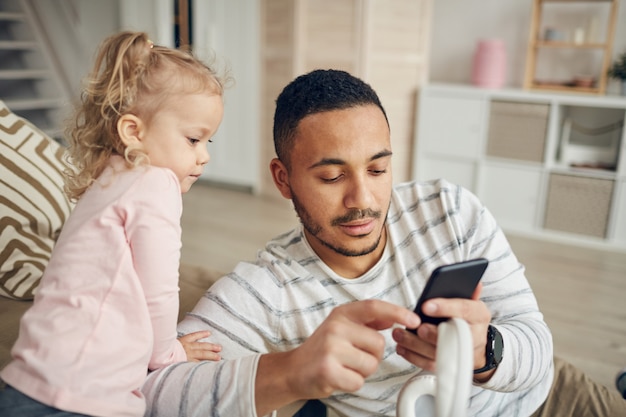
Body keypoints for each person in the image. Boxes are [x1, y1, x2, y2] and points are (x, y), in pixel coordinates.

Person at [141, 69, 626, 417]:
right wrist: (289, 373)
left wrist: (484, 352)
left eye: (378, 169)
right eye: (331, 176)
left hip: (540, 397)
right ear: (283, 179)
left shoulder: (450, 211)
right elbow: (154, 392)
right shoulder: (266, 290)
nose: (364, 200)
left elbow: (535, 340)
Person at [0, 31, 226, 417]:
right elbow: (159, 289)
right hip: (83, 389)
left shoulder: (108, 177)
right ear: (133, 132)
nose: (203, 156)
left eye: (208, 142)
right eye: (193, 139)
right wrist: (167, 351)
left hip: (31, 374)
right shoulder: (157, 183)